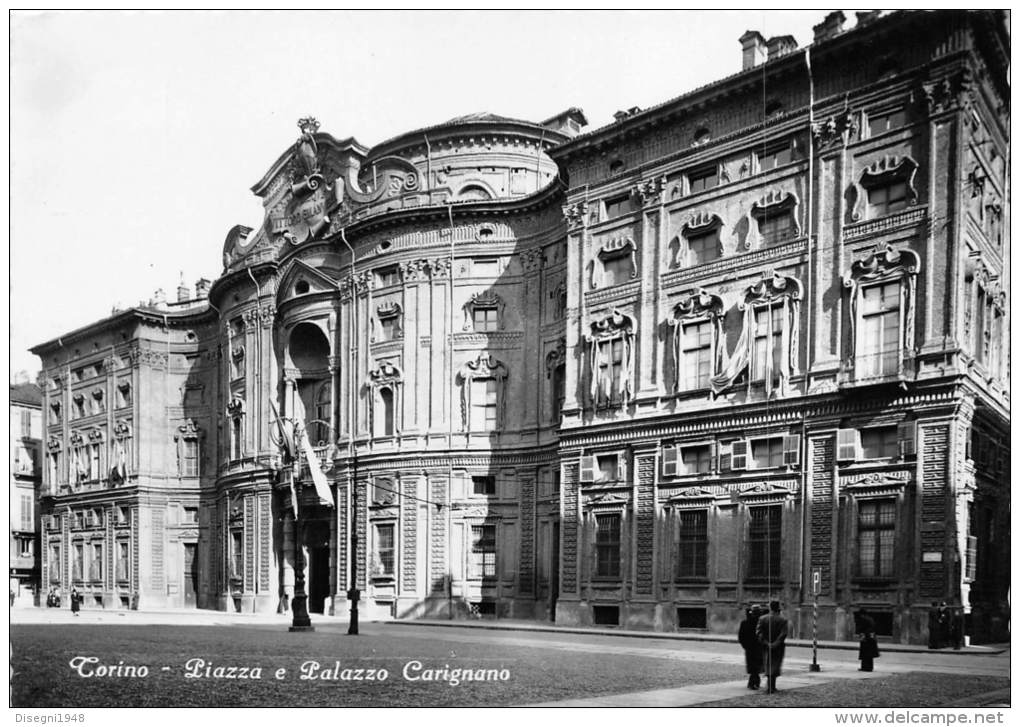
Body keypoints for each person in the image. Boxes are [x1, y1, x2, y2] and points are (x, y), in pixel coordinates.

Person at [756, 600, 788, 694]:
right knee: (775, 665)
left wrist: (766, 643)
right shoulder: (782, 619)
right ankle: (772, 686)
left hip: (766, 646)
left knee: (768, 663)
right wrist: (776, 643)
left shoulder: (762, 618)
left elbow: (759, 633)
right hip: (778, 647)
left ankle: (770, 686)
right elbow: (783, 633)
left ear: (770, 607)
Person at [738, 605, 763, 689]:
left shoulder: (745, 622)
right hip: (758, 647)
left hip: (749, 647)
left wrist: (745, 646)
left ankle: (753, 682)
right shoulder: (762, 623)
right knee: (757, 665)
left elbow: (741, 637)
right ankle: (754, 682)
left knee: (752, 665)